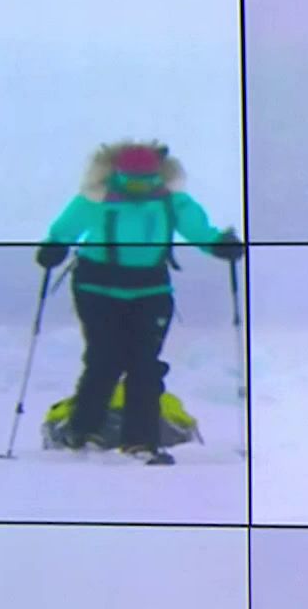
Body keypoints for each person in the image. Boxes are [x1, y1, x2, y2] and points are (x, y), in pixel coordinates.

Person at [35, 140, 244, 465]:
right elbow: (65, 229)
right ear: (117, 174)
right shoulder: (97, 195)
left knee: (144, 364)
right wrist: (54, 247)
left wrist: (219, 244)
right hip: (97, 287)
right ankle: (84, 431)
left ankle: (140, 440)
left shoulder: (173, 201)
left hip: (148, 289)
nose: (138, 187)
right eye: (131, 181)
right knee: (104, 359)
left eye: (144, 181)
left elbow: (199, 231)